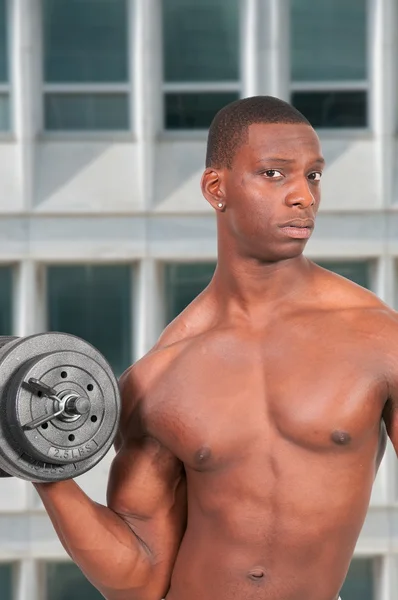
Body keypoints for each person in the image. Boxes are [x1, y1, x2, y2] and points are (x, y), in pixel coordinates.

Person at [34, 96, 398, 600]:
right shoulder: (158, 377)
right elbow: (140, 578)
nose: (303, 197)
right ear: (216, 188)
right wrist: (43, 466)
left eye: (313, 176)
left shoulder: (378, 338)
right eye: (275, 174)